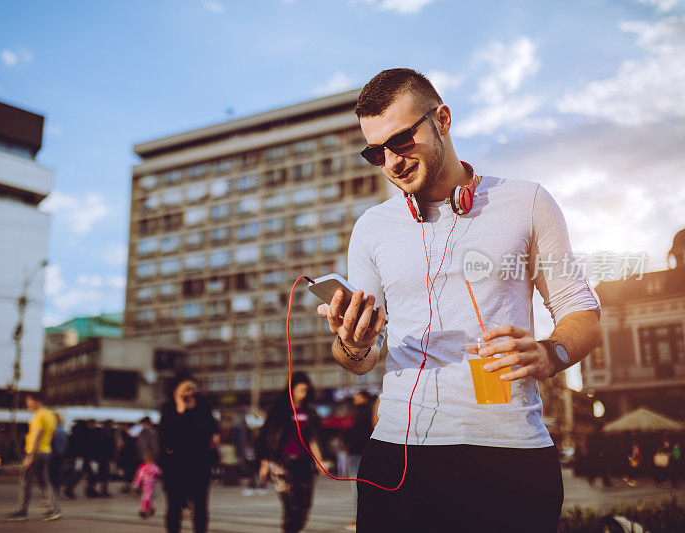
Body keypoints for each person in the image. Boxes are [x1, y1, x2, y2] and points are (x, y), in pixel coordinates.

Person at [316, 68, 602, 533]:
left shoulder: (527, 202)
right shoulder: (371, 227)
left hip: (510, 455)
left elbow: (583, 314)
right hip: (396, 454)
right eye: (376, 152)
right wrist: (352, 343)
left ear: (442, 119)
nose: (391, 161)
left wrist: (551, 354)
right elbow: (361, 361)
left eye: (402, 140)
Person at [257, 372, 326, 533]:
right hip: (283, 464)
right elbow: (268, 437)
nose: (303, 394)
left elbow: (313, 439)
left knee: (305, 505)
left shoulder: (309, 412)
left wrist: (319, 461)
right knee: (291, 506)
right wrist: (264, 463)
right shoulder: (279, 411)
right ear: (292, 390)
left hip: (303, 464)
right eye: (300, 390)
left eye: (305, 391)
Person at [158, 371, 219, 533]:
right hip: (175, 466)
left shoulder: (204, 406)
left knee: (200, 507)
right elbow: (166, 436)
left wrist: (215, 437)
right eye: (185, 389)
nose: (189, 393)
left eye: (192, 389)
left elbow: (212, 428)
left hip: (200, 465)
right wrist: (180, 410)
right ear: (175, 391)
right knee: (174, 507)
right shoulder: (169, 408)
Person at [6, 392, 61, 521]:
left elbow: (37, 436)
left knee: (25, 482)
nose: (27, 404)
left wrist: (30, 456)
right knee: (44, 481)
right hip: (46, 450)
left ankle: (22, 512)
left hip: (36, 452)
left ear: (36, 401)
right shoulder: (50, 415)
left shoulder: (39, 416)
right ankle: (55, 510)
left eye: (28, 401)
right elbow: (54, 433)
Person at [344, 391, 374, 531]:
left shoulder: (363, 413)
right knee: (365, 487)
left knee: (357, 488)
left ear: (364, 398)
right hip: (364, 453)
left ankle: (359, 520)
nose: (354, 398)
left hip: (359, 453)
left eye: (357, 396)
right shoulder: (368, 411)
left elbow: (357, 434)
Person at [133, 453, 162, 518]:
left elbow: (139, 476)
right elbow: (139, 476)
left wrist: (136, 483)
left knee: (146, 496)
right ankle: (151, 509)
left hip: (149, 484)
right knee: (147, 496)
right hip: (147, 484)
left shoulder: (146, 467)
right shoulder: (152, 467)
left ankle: (143, 510)